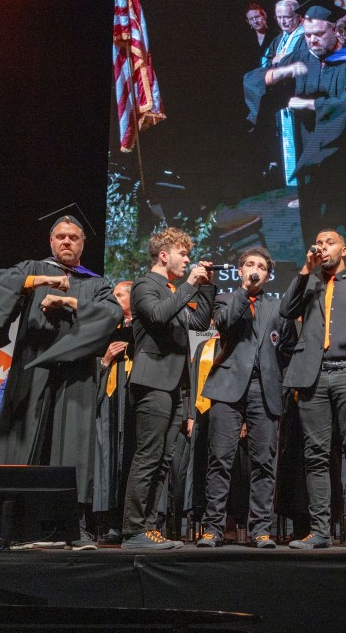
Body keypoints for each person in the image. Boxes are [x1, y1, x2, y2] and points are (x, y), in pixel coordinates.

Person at [0, 216, 122, 539]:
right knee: (23, 442)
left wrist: (69, 300)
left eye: (74, 237)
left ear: (83, 243)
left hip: (76, 372)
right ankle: (12, 526)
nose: (67, 242)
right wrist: (41, 282)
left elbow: (112, 313)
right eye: (61, 236)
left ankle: (72, 527)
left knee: (73, 446)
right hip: (33, 366)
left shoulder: (96, 283)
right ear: (51, 241)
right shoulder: (34, 268)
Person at [279, 229, 346, 548]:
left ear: (344, 250)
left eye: (330, 242)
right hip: (314, 376)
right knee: (316, 455)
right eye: (319, 243)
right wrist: (305, 270)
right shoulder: (309, 281)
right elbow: (286, 310)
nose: (322, 247)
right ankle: (320, 531)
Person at [262, 4, 346, 265]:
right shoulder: (302, 58)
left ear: (335, 31)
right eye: (307, 35)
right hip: (312, 153)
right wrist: (278, 73)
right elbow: (260, 81)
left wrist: (311, 104)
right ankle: (320, 270)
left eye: (318, 34)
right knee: (317, 218)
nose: (312, 40)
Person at [196, 247, 297, 549]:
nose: (255, 270)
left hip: (264, 390)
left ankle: (261, 530)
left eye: (261, 267)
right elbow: (224, 324)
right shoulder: (225, 299)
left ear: (268, 275)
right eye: (250, 265)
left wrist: (282, 387)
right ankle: (213, 528)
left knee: (264, 463)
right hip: (227, 387)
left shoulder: (278, 307)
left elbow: (288, 351)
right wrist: (244, 290)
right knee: (219, 460)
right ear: (240, 271)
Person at [122, 227, 215, 549]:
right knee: (148, 456)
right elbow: (159, 316)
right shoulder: (145, 285)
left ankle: (149, 528)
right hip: (152, 382)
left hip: (174, 386)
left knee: (162, 461)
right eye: (182, 254)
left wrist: (206, 286)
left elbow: (198, 324)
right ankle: (133, 530)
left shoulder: (173, 290)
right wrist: (189, 284)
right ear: (164, 255)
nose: (187, 260)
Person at [93, 280, 135, 544]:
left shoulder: (145, 329)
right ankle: (109, 524)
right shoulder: (104, 330)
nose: (114, 299)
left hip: (133, 401)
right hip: (108, 404)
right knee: (107, 463)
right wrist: (106, 359)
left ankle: (132, 523)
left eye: (119, 295)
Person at [264, 0, 306, 67]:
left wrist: (285, 59)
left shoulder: (307, 36)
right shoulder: (277, 40)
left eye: (286, 17)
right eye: (278, 17)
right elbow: (268, 60)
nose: (282, 22)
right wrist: (273, 61)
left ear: (298, 16)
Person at [246, 3, 274, 69]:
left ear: (264, 16)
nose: (255, 21)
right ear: (248, 22)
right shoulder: (246, 39)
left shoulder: (276, 35)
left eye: (257, 17)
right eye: (251, 19)